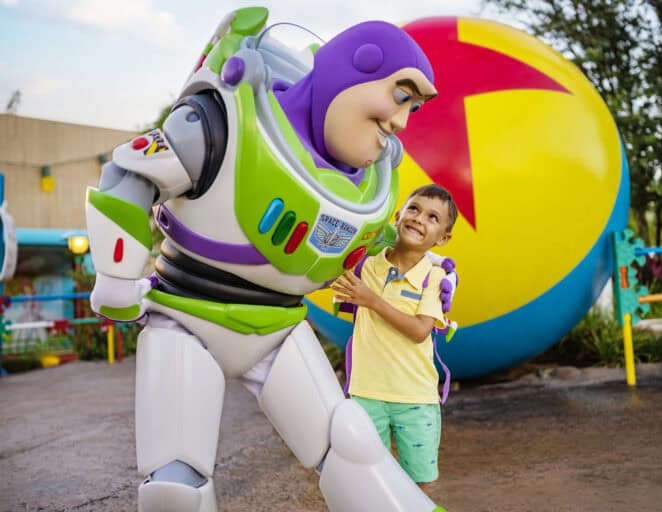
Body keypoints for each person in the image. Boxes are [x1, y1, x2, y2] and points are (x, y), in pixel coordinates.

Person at [85, 8, 455, 512]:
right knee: (177, 483)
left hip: (279, 329)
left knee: (349, 443)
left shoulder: (367, 184)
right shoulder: (227, 122)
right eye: (398, 97)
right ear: (357, 70)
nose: (398, 122)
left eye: (411, 107)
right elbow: (128, 178)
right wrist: (116, 276)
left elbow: (369, 241)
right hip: (187, 317)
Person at [331, 184, 458, 494]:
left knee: (419, 479)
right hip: (366, 392)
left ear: (442, 237)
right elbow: (324, 275)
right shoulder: (367, 265)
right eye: (413, 209)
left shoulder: (435, 276)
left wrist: (371, 300)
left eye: (432, 217)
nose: (418, 219)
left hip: (414, 397)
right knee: (369, 476)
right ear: (398, 215)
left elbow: (419, 331)